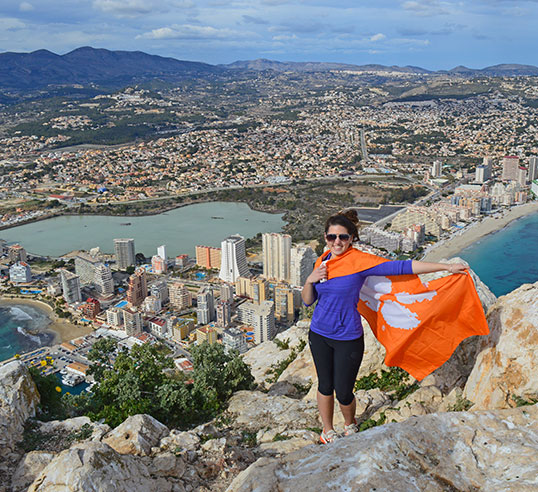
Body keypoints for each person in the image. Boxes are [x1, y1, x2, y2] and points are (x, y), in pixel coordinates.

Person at [301, 210, 467, 444]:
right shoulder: (323, 262)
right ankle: (327, 430)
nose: (337, 242)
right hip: (319, 334)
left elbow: (401, 267)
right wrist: (310, 279)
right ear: (325, 238)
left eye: (343, 237)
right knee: (325, 385)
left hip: (348, 336)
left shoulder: (360, 262)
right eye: (332, 237)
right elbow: (308, 300)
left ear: (351, 238)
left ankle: (350, 425)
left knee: (344, 390)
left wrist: (445, 268)